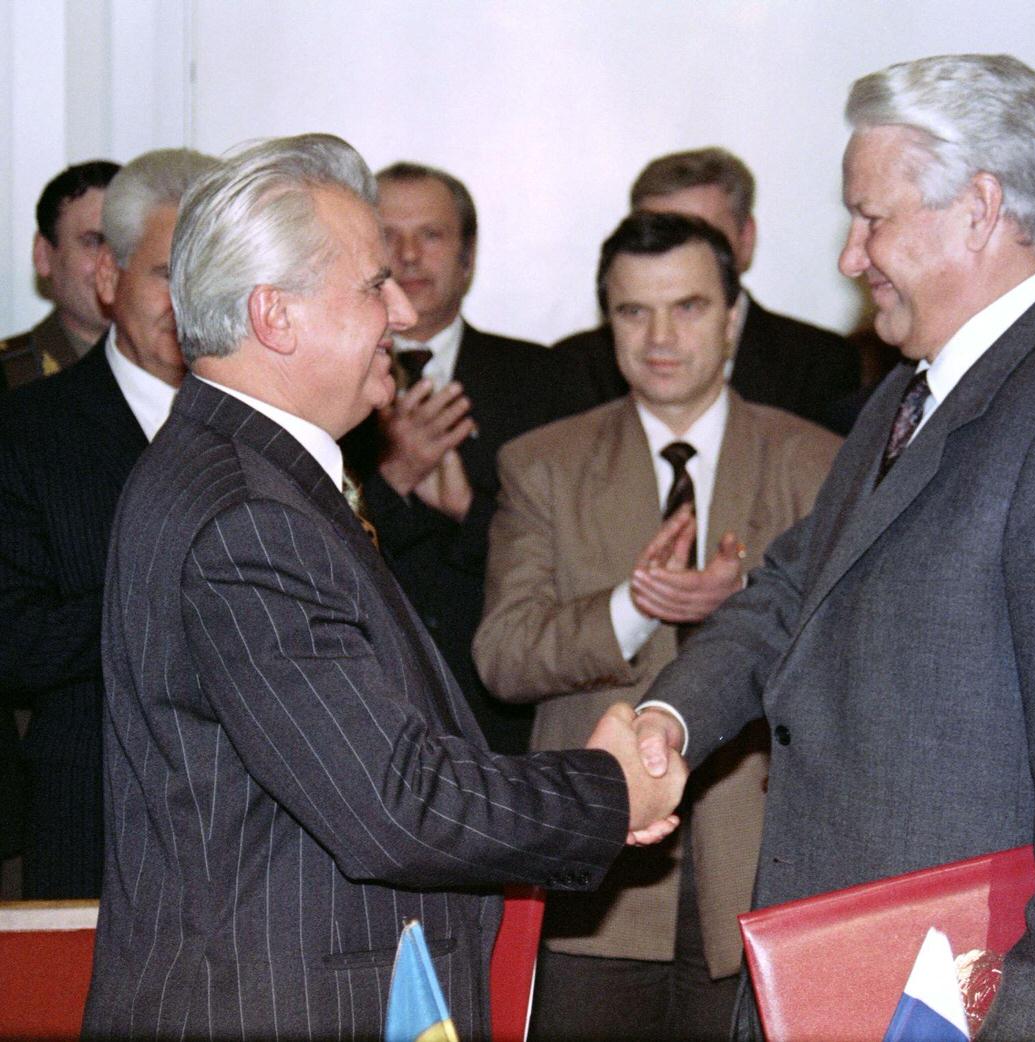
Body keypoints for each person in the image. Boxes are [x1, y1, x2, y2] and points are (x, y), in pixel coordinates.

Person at [632, 54, 1035, 1042]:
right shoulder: (906, 398)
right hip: (842, 979)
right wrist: (666, 722)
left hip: (965, 1009)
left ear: (978, 208)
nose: (851, 256)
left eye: (872, 217)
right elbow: (788, 593)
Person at [82, 134, 685, 1041]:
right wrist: (606, 793)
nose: (404, 310)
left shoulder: (247, 473)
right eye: (373, 284)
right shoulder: (245, 515)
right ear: (274, 317)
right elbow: (396, 804)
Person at [474, 211, 839, 1040]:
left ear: (735, 318)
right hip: (596, 884)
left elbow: (859, 660)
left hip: (762, 872)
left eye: (689, 307)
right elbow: (502, 655)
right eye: (633, 312)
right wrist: (633, 607)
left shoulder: (816, 462)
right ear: (607, 325)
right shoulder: (543, 463)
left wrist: (747, 596)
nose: (661, 336)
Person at [0, 149, 216, 899]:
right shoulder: (24, 432)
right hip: (97, 830)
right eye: (167, 275)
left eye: (210, 276)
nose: (191, 303)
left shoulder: (283, 430)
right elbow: (16, 642)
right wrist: (186, 591)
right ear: (107, 278)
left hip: (263, 845)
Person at [341, 161, 586, 754]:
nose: (408, 256)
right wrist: (393, 477)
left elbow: (574, 558)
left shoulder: (545, 379)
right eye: (386, 237)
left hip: (507, 716)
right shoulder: (331, 380)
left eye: (431, 235)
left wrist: (469, 511)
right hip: (370, 708)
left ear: (469, 257)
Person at [553, 147, 858, 432]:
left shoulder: (819, 363)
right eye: (658, 236)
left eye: (703, 237)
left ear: (746, 239)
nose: (676, 257)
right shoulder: (575, 367)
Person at [1, 160, 120, 390]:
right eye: (93, 242)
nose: (111, 263)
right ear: (43, 255)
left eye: (123, 242)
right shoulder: (9, 379)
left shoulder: (184, 379)